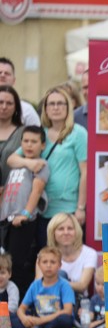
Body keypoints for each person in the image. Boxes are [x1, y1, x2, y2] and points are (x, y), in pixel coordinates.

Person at [7, 86, 88, 248]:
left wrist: (81, 207)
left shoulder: (78, 133)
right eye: (51, 104)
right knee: (46, 257)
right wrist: (29, 162)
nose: (56, 108)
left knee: (69, 255)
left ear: (68, 107)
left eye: (60, 103)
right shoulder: (40, 133)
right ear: (45, 109)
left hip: (68, 208)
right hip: (42, 208)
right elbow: (12, 159)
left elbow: (85, 172)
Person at [0, 125, 49, 294]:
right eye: (26, 141)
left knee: (16, 265)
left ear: (42, 145)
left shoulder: (41, 165)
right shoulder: (20, 163)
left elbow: (37, 190)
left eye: (34, 142)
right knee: (5, 262)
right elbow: (10, 160)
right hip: (7, 220)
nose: (29, 145)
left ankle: (18, 306)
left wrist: (25, 214)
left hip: (22, 221)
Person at [10, 246, 75, 328]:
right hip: (36, 322)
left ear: (60, 265)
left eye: (53, 262)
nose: (48, 265)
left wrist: (41, 320)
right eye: (45, 262)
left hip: (53, 321)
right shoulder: (35, 285)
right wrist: (24, 318)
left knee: (65, 320)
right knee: (8, 316)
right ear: (39, 264)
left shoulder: (65, 285)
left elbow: (68, 311)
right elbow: (21, 308)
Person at [45, 213, 97, 304]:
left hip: (78, 302)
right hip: (50, 302)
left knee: (61, 275)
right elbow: (38, 285)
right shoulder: (44, 255)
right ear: (53, 232)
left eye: (70, 228)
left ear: (76, 231)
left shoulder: (90, 253)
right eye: (61, 229)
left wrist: (53, 282)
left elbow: (82, 285)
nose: (66, 232)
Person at [0, 57, 39, 126]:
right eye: (0, 72)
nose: (2, 75)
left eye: (7, 73)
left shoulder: (26, 110)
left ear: (14, 80)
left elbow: (37, 134)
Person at [0, 85, 25, 192]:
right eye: (0, 102)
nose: (4, 106)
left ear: (16, 107)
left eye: (9, 103)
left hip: (13, 194)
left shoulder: (24, 133)